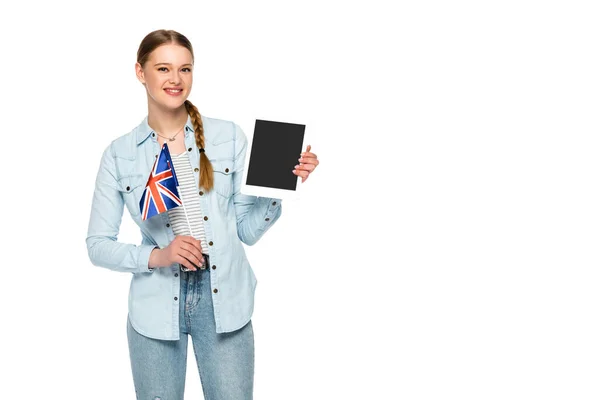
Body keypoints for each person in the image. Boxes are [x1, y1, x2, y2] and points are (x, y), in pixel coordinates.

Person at [85, 29, 319, 400]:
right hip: (156, 302)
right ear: (140, 72)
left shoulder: (228, 137)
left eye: (185, 69)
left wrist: (280, 189)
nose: (175, 80)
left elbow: (246, 231)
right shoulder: (120, 154)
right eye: (163, 68)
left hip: (224, 296)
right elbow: (97, 245)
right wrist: (158, 255)